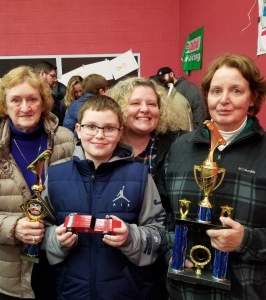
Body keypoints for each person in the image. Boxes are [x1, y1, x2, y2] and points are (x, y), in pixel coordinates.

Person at [162, 53, 266, 299]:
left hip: (246, 291)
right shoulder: (180, 148)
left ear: (253, 97)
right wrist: (172, 249)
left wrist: (246, 239)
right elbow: (166, 215)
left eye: (236, 91)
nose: (224, 100)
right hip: (185, 291)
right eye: (216, 91)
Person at [42, 95, 165, 300]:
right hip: (71, 291)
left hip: (127, 292)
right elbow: (41, 231)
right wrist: (56, 239)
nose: (99, 135)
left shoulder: (140, 176)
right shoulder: (55, 175)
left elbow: (158, 233)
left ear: (120, 133)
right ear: (78, 130)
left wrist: (130, 238)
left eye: (109, 128)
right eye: (91, 126)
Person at [0, 66, 76, 300]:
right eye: (16, 100)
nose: (25, 107)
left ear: (44, 102)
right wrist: (14, 227)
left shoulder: (66, 140)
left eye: (32, 99)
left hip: (61, 262)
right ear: (4, 105)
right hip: (8, 271)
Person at [107, 77, 186, 299]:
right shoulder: (104, 144)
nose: (145, 110)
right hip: (115, 256)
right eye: (135, 103)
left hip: (163, 255)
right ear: (120, 108)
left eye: (152, 104)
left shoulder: (179, 145)